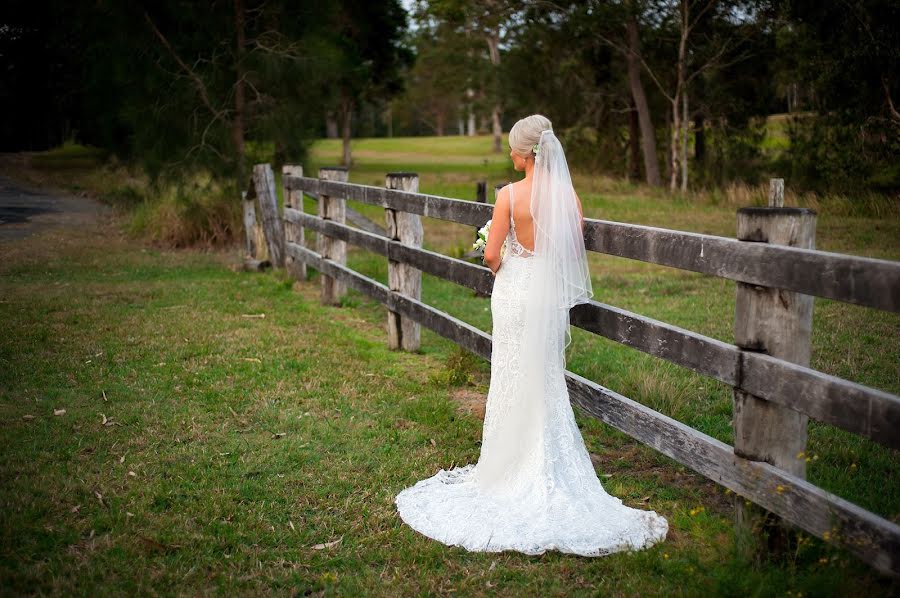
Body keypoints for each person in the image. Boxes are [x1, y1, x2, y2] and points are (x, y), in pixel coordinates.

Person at [394, 115, 668, 556]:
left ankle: (508, 466)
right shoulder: (567, 195)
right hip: (546, 295)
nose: (509, 154)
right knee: (543, 374)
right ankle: (546, 462)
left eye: (511, 148)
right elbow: (572, 243)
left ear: (524, 154)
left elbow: (492, 253)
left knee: (511, 373)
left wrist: (497, 256)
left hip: (515, 291)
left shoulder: (508, 195)